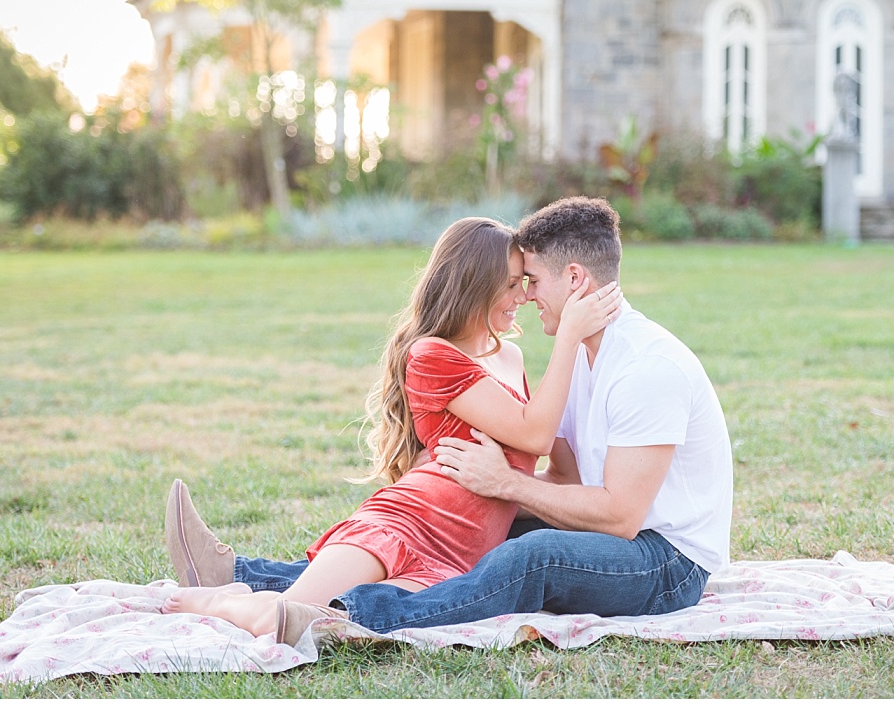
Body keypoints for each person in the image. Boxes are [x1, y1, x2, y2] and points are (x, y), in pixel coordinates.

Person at [165, 197, 733, 645]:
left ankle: (343, 617)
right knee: (480, 531)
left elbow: (621, 516)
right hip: (615, 534)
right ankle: (252, 580)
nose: (527, 297)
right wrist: (491, 493)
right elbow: (562, 476)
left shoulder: (645, 368)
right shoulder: (582, 355)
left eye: (532, 282)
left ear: (577, 279)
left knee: (528, 555)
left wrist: (507, 483)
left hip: (665, 563)